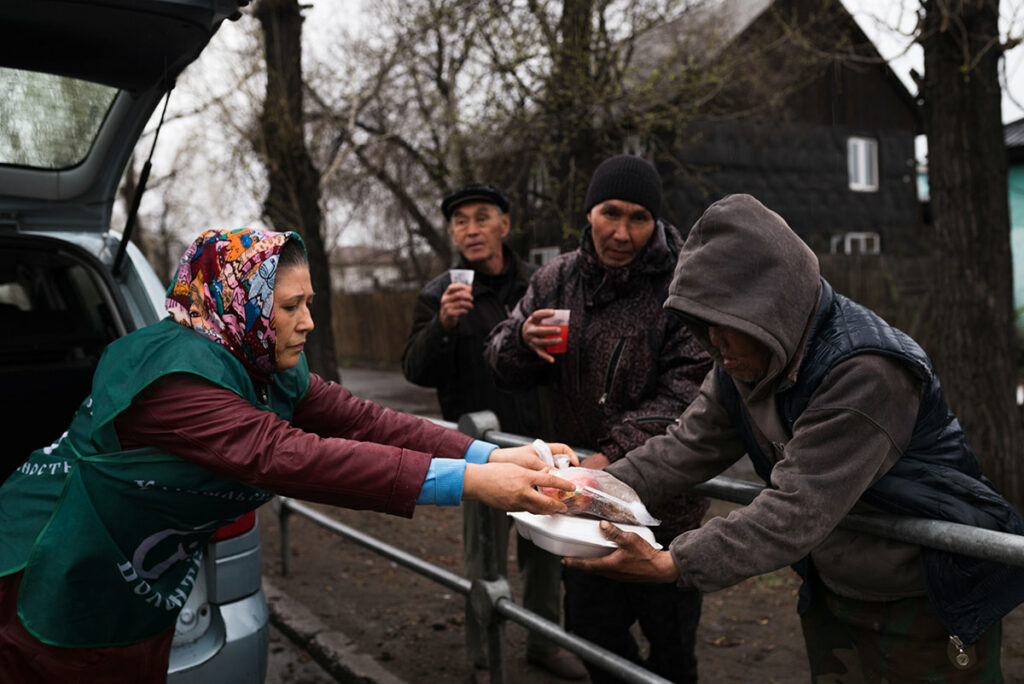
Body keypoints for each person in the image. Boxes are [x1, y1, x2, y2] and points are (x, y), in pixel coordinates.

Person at [0, 227, 579, 683]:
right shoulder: (175, 380)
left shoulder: (258, 355)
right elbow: (287, 455)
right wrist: (472, 484)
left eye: (309, 302)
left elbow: (364, 420)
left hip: (135, 578)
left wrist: (489, 455)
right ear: (242, 302)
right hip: (47, 564)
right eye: (290, 307)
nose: (307, 322)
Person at [566, 193, 1024, 682]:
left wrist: (672, 561)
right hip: (833, 587)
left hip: (924, 597)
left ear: (770, 308)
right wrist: (588, 491)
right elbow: (684, 447)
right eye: (701, 325)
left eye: (724, 325)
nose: (713, 344)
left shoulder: (866, 372)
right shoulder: (743, 362)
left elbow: (797, 505)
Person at [485, 155, 714, 683]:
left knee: (673, 649)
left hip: (665, 512)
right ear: (589, 213)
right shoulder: (556, 279)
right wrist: (520, 342)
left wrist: (606, 457)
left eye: (639, 217)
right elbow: (497, 358)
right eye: (610, 212)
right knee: (591, 636)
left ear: (656, 221)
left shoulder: (684, 287)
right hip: (581, 515)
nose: (622, 231)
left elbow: (688, 395)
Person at [401, 183, 585, 681]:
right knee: (483, 557)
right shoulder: (440, 292)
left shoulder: (539, 283)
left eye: (482, 217)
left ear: (505, 224)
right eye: (461, 221)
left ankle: (544, 645)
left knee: (546, 550)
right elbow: (415, 371)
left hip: (539, 443)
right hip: (477, 452)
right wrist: (442, 326)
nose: (471, 229)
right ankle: (483, 654)